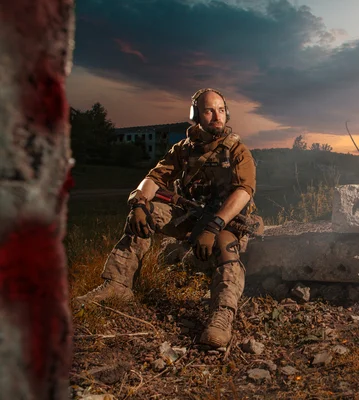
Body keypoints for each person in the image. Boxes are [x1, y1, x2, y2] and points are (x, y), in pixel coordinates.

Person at [74, 88, 259, 348]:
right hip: (190, 214)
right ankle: (117, 284)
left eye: (220, 110)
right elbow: (154, 178)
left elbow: (243, 192)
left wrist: (214, 226)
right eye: (209, 110)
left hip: (224, 219)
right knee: (144, 214)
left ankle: (222, 316)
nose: (216, 116)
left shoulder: (237, 151)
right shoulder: (183, 149)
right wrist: (138, 203)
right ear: (195, 115)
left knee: (226, 249)